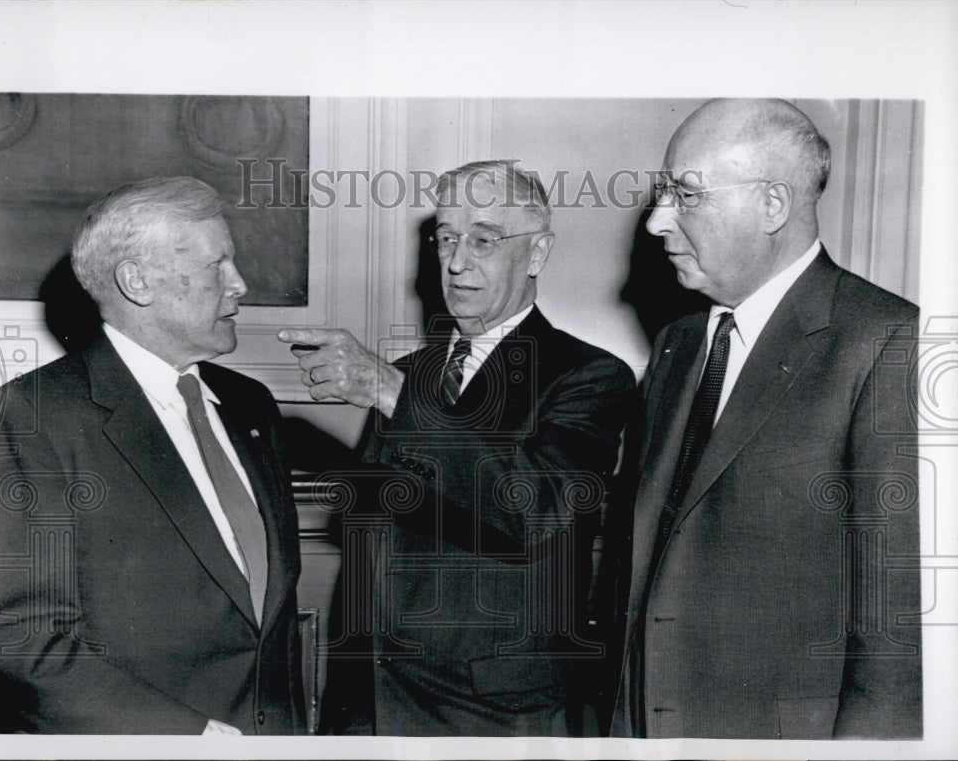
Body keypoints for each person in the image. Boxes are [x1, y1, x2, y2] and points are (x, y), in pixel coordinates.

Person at [279, 160, 635, 735]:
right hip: (373, 705)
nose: (456, 262)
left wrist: (394, 394)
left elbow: (535, 512)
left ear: (537, 253)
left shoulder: (588, 375)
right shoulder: (407, 375)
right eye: (446, 239)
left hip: (495, 714)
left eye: (484, 240)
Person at [611, 99, 922, 739]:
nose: (657, 221)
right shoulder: (677, 344)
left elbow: (897, 632)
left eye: (686, 193)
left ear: (772, 204)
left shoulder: (888, 343)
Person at [0, 176, 306, 734]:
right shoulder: (34, 415)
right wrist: (189, 736)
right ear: (137, 282)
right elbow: (23, 637)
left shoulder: (250, 404)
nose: (240, 284)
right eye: (217, 265)